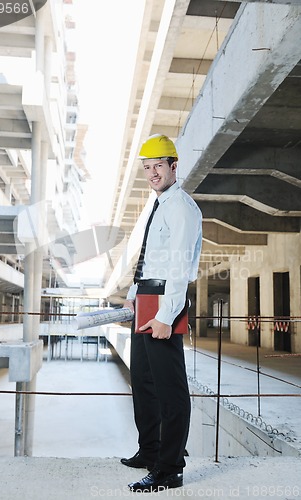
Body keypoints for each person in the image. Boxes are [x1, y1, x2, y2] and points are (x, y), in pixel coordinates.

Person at [121, 134, 202, 493]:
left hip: (166, 299)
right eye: (147, 168)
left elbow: (179, 267)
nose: (152, 173)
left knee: (170, 388)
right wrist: (132, 296)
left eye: (158, 166)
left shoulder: (181, 206)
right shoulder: (159, 205)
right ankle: (150, 449)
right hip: (147, 296)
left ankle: (169, 468)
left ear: (173, 165)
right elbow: (149, 260)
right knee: (143, 379)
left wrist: (167, 316)